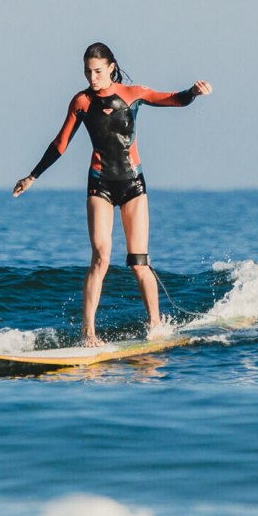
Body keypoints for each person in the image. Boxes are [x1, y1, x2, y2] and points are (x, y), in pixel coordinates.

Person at [13, 42, 212, 346]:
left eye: (97, 71)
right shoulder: (81, 102)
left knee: (138, 261)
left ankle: (155, 325)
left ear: (110, 68)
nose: (91, 78)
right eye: (86, 72)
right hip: (100, 183)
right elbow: (60, 144)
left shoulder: (133, 94)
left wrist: (193, 92)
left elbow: (174, 100)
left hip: (133, 184)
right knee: (101, 258)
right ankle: (88, 333)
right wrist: (32, 176)